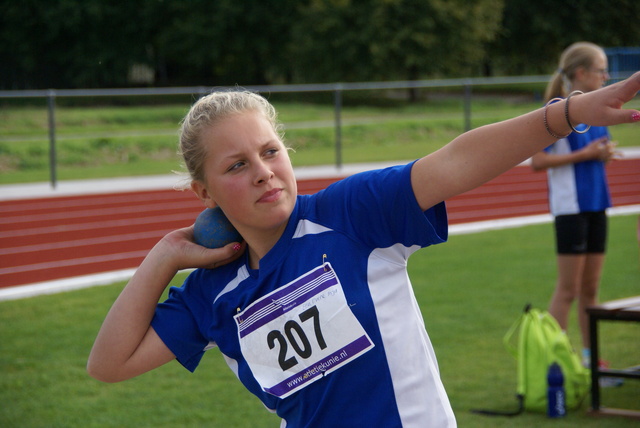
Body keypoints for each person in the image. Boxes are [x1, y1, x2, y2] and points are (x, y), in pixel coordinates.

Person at [88, 72, 640, 427]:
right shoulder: (211, 293)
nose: (263, 173)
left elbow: (455, 161)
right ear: (202, 193)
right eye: (236, 166)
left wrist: (566, 114)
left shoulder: (349, 215)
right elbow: (109, 364)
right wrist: (164, 254)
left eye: (270, 151)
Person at [530, 42, 621, 371]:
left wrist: (603, 155)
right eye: (600, 70)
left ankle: (590, 361)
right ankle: (555, 362)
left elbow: (592, 154)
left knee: (591, 289)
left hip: (597, 203)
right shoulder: (558, 109)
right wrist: (587, 155)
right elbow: (537, 161)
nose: (605, 76)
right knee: (568, 289)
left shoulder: (598, 109)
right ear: (580, 73)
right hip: (571, 208)